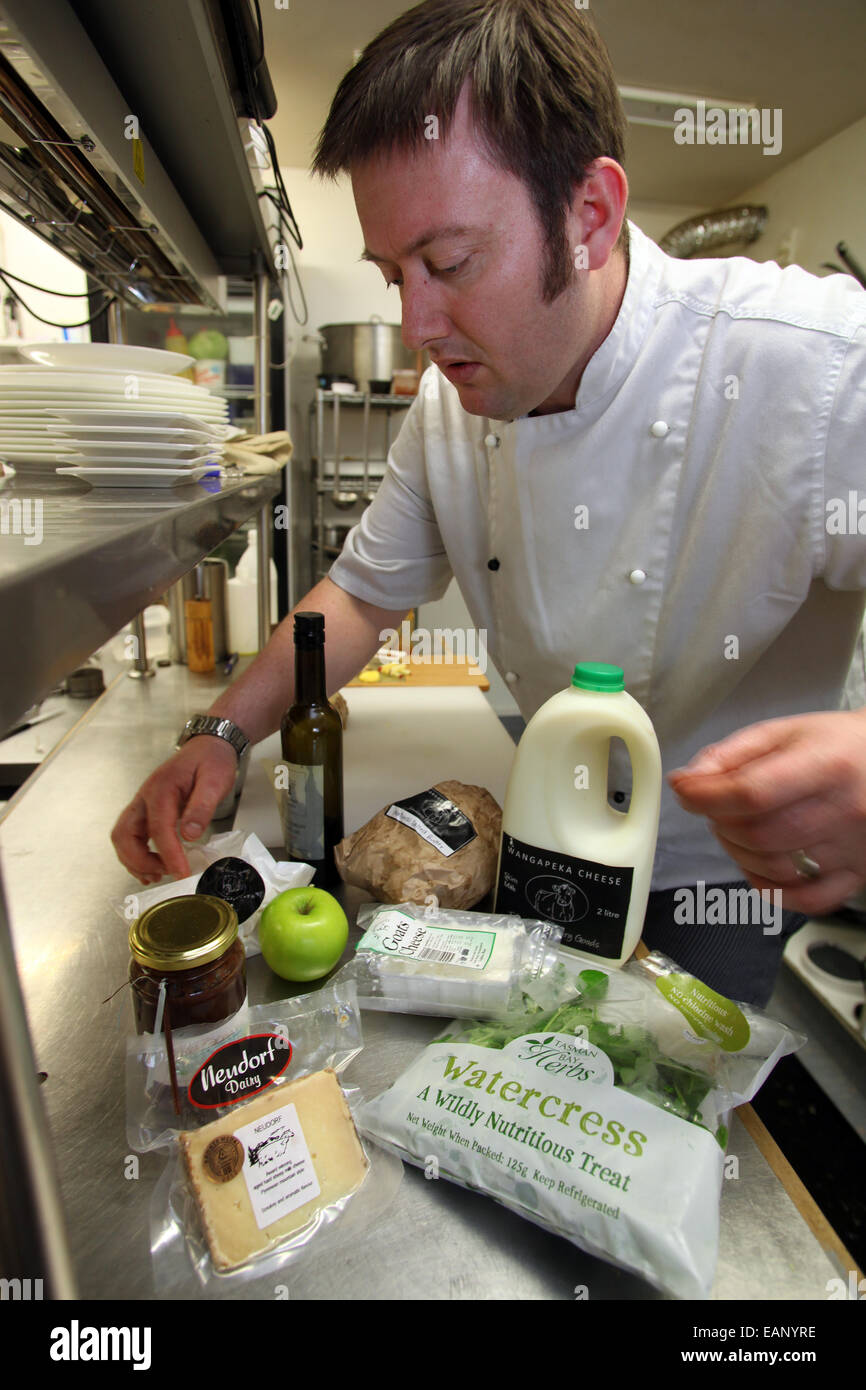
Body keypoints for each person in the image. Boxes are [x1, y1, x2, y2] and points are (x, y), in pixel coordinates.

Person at [111, 0, 866, 1006]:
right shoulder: (449, 405)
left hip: (717, 875)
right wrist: (219, 731)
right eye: (393, 275)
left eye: (450, 262)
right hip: (536, 839)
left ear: (588, 214)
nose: (417, 322)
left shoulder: (814, 366)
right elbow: (363, 595)